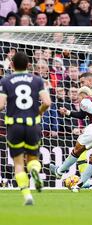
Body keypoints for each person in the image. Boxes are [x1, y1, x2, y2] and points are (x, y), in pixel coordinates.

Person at [0, 52, 51, 205]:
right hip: (32, 125)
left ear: (12, 65)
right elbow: (47, 102)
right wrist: (38, 112)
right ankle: (34, 171)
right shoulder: (37, 80)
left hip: (14, 125)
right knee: (32, 159)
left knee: (18, 163)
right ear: (29, 65)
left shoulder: (6, 80)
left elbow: (1, 105)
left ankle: (27, 195)